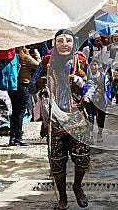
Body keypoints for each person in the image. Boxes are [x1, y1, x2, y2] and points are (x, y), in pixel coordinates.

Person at [28, 29, 95, 209]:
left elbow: (91, 84)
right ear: (54, 44)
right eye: (60, 41)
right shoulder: (45, 62)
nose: (64, 44)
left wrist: (87, 96)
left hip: (76, 117)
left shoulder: (80, 60)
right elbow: (30, 89)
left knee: (82, 158)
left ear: (74, 43)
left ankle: (77, 186)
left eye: (68, 41)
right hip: (54, 120)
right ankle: (63, 197)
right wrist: (38, 84)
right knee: (57, 161)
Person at [8, 46, 41, 146]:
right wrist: (37, 55)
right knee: (20, 113)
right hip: (23, 86)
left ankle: (13, 137)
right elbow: (39, 66)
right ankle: (18, 137)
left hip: (13, 86)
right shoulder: (25, 57)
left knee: (15, 112)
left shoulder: (12, 57)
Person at [85, 59, 111, 143]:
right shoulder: (86, 76)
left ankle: (100, 133)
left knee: (100, 118)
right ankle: (90, 135)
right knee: (90, 118)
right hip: (90, 101)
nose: (93, 67)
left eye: (95, 64)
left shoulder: (103, 76)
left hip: (101, 101)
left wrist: (107, 98)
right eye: (91, 65)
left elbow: (107, 88)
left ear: (98, 66)